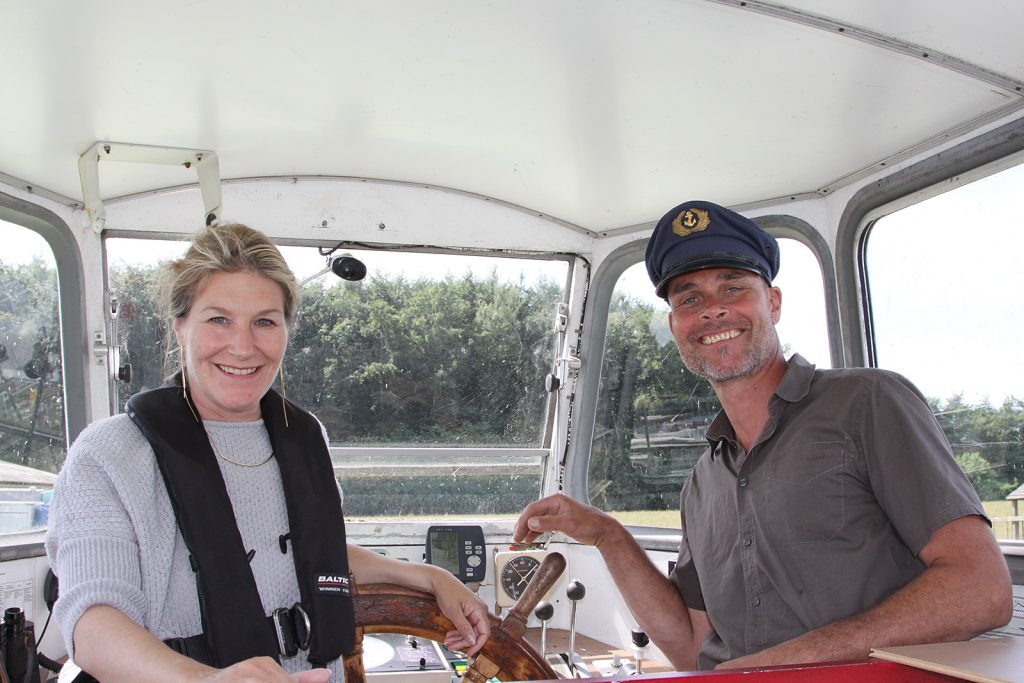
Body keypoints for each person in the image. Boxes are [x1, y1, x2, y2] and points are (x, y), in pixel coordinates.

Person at [515, 200, 1011, 671]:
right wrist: (607, 535)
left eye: (733, 288)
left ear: (772, 302)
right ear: (675, 325)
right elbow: (692, 649)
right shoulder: (703, 485)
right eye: (690, 298)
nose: (712, 310)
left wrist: (786, 663)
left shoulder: (868, 404)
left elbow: (982, 590)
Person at [46, 223, 490, 683]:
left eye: (264, 321)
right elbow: (93, 622)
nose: (243, 346)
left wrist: (429, 577)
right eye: (218, 319)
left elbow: (315, 551)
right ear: (181, 326)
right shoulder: (108, 455)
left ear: (285, 329)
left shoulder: (303, 436)